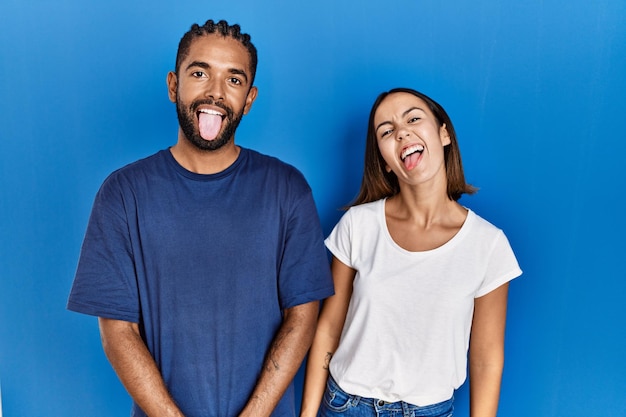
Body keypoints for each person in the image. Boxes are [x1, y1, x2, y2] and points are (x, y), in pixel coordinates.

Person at [67, 19, 334, 417]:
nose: (215, 92)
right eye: (199, 73)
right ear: (174, 85)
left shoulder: (288, 189)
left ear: (249, 99)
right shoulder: (123, 193)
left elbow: (303, 315)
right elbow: (117, 331)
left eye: (234, 80)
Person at [300, 88, 522, 417]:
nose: (402, 132)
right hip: (346, 405)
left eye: (413, 118)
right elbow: (328, 328)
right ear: (386, 162)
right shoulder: (358, 225)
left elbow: (486, 356)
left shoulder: (487, 245)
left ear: (443, 133)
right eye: (386, 131)